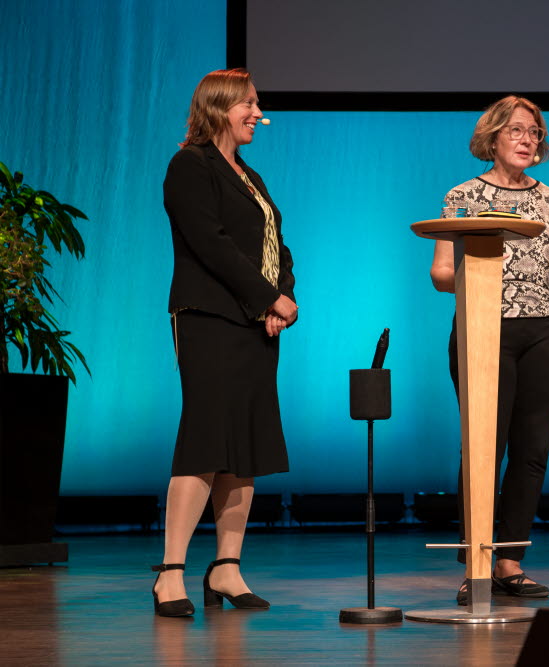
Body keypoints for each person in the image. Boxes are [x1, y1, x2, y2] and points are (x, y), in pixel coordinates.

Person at [151, 68, 298, 617]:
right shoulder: (190, 165)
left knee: (246, 442)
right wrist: (266, 297)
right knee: (207, 438)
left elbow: (275, 244)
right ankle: (171, 573)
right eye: (250, 105)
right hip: (210, 317)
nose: (259, 114)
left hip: (254, 322)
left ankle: (227, 568)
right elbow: (211, 245)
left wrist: (281, 298)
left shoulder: (251, 176)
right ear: (219, 107)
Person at [429, 96, 549, 605]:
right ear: (492, 137)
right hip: (482, 330)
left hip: (545, 331)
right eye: (516, 130)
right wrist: (475, 277)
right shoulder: (462, 196)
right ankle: (475, 560)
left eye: (534, 132)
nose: (526, 139)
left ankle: (509, 561)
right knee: (481, 446)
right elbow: (441, 274)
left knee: (532, 450)